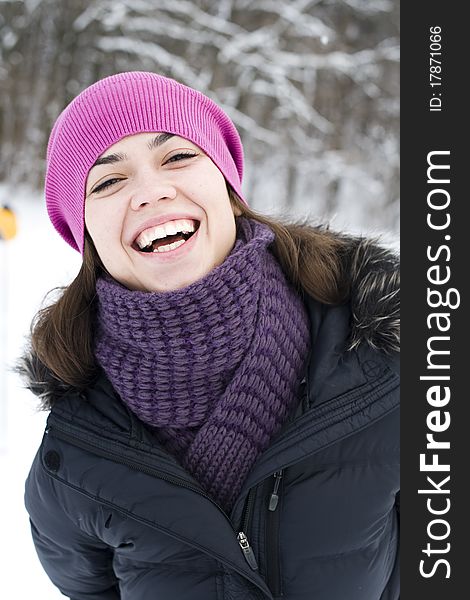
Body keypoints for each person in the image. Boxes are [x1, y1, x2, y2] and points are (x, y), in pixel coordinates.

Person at [19, 71, 399, 600]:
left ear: (226, 183)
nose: (151, 192)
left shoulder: (391, 368)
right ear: (86, 235)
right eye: (108, 181)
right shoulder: (73, 458)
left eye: (177, 157)